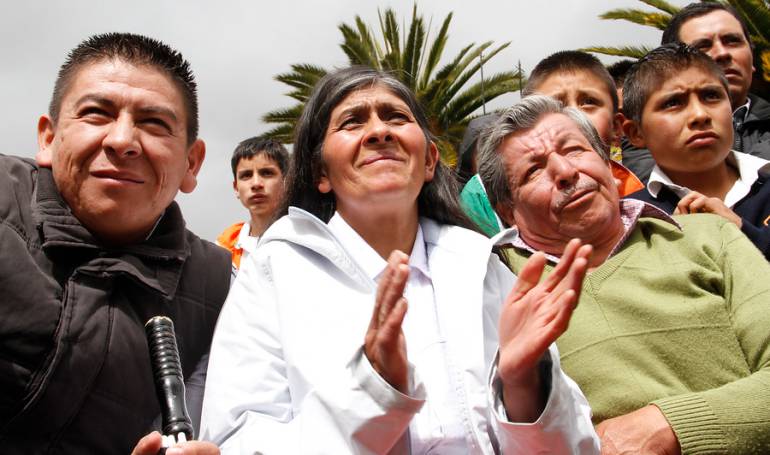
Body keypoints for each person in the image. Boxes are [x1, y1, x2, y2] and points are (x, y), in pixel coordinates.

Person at [201, 67, 599, 454]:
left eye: (396, 117)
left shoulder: (481, 266)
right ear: (320, 172)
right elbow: (235, 441)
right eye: (353, 122)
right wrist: (372, 392)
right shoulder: (274, 272)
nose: (379, 132)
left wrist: (525, 386)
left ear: (429, 161)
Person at [479, 94, 770, 454]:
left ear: (607, 164)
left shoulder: (709, 235)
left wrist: (667, 427)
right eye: (534, 170)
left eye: (574, 150)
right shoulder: (493, 283)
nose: (565, 172)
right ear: (507, 211)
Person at [0, 33, 227, 454]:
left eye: (154, 123)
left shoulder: (222, 288)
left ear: (191, 163)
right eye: (96, 113)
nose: (122, 141)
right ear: (48, 138)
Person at [460, 51, 642, 236]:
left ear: (616, 127)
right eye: (558, 106)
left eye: (588, 102)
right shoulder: (483, 209)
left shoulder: (650, 196)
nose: (573, 114)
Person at [623, 43, 770, 259]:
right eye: (673, 102)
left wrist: (743, 233)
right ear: (636, 133)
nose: (700, 115)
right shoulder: (630, 221)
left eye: (711, 96)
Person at [662, 2, 770, 160]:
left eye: (732, 41)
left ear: (752, 58)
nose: (722, 53)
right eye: (702, 46)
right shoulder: (650, 140)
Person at [217, 136, 289, 272]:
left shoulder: (307, 239)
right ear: (236, 188)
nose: (256, 184)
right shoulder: (224, 248)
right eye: (246, 175)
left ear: (287, 181)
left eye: (267, 173)